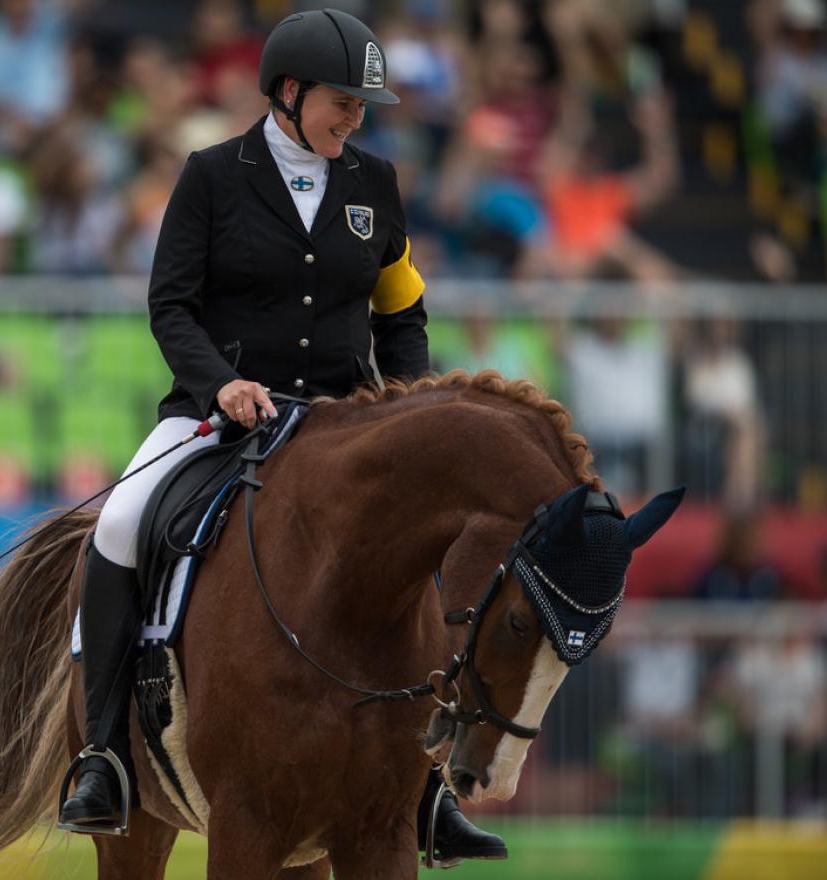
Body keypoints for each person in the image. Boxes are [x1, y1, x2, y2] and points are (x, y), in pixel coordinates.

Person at [60, 8, 508, 864]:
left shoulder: (374, 183)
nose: (357, 118)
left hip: (342, 418)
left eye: (365, 105)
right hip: (222, 412)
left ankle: (430, 786)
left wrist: (407, 401)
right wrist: (219, 383)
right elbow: (172, 305)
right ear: (291, 92)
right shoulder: (212, 176)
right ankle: (104, 753)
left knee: (439, 547)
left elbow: (401, 306)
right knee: (119, 525)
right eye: (345, 101)